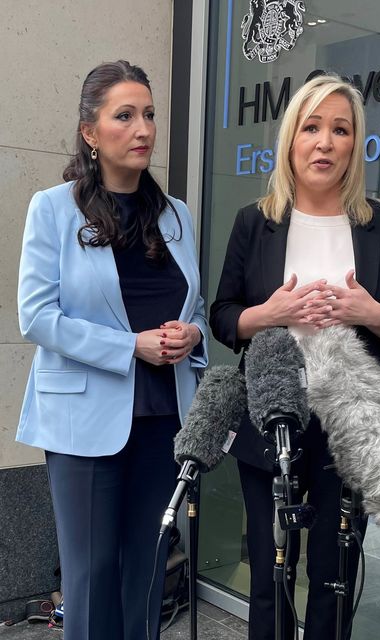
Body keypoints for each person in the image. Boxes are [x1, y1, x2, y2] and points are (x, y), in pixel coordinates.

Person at [210, 74, 380, 640]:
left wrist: (369, 311)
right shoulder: (256, 223)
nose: (325, 141)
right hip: (272, 421)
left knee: (335, 575)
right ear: (291, 140)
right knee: (268, 576)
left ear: (355, 145)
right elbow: (223, 315)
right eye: (312, 127)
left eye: (340, 129)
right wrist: (271, 312)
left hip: (349, 422)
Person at [16, 60, 208, 640]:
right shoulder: (52, 208)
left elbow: (194, 308)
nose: (143, 128)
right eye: (124, 115)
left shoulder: (178, 216)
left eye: (149, 114)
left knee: (149, 574)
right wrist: (132, 347)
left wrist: (191, 335)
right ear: (91, 133)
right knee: (92, 577)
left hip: (165, 420)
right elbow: (37, 317)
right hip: (82, 423)